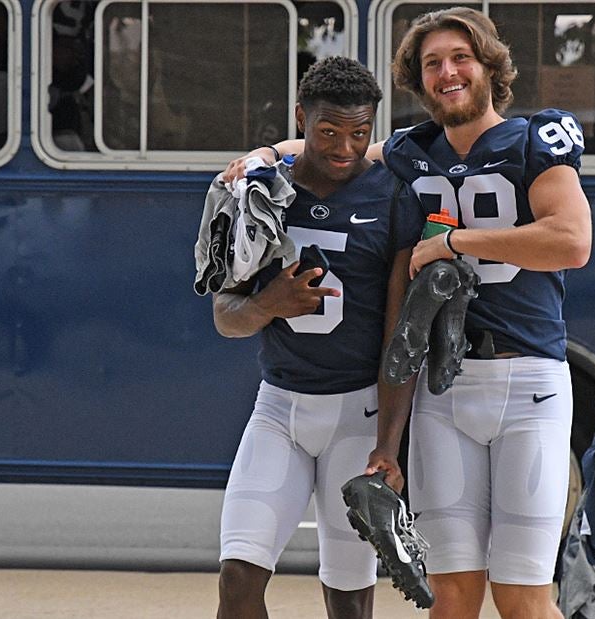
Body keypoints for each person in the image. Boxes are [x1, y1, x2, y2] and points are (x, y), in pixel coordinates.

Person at [224, 8, 591, 619]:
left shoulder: (534, 138)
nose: (447, 72)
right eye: (432, 64)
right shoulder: (408, 150)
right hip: (443, 389)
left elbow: (572, 242)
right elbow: (332, 144)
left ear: (489, 66)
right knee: (450, 596)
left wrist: (456, 242)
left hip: (526, 378)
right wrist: (264, 152)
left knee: (523, 596)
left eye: (460, 58)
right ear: (418, 83)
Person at [210, 57, 425, 619]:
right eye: (329, 131)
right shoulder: (260, 190)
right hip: (279, 406)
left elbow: (398, 335)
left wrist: (388, 443)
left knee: (350, 601)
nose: (345, 147)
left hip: (358, 414)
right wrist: (265, 304)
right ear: (301, 118)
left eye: (360, 133)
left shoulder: (394, 195)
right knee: (237, 578)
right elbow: (225, 317)